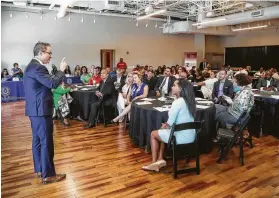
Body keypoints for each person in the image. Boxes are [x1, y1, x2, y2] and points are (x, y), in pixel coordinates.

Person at [23, 41, 67, 184]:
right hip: (41, 110)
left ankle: (40, 169)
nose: (50, 56)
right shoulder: (38, 68)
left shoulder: (31, 66)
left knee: (37, 140)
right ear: (41, 53)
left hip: (35, 110)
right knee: (46, 142)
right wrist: (61, 70)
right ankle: (48, 175)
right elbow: (52, 84)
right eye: (49, 53)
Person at [142, 79, 196, 172]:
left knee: (153, 134)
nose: (172, 87)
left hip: (181, 137)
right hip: (191, 135)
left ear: (180, 89)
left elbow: (169, 124)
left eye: (174, 85)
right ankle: (160, 159)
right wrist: (166, 126)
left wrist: (165, 125)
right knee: (163, 130)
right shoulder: (190, 101)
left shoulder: (178, 102)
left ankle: (154, 162)